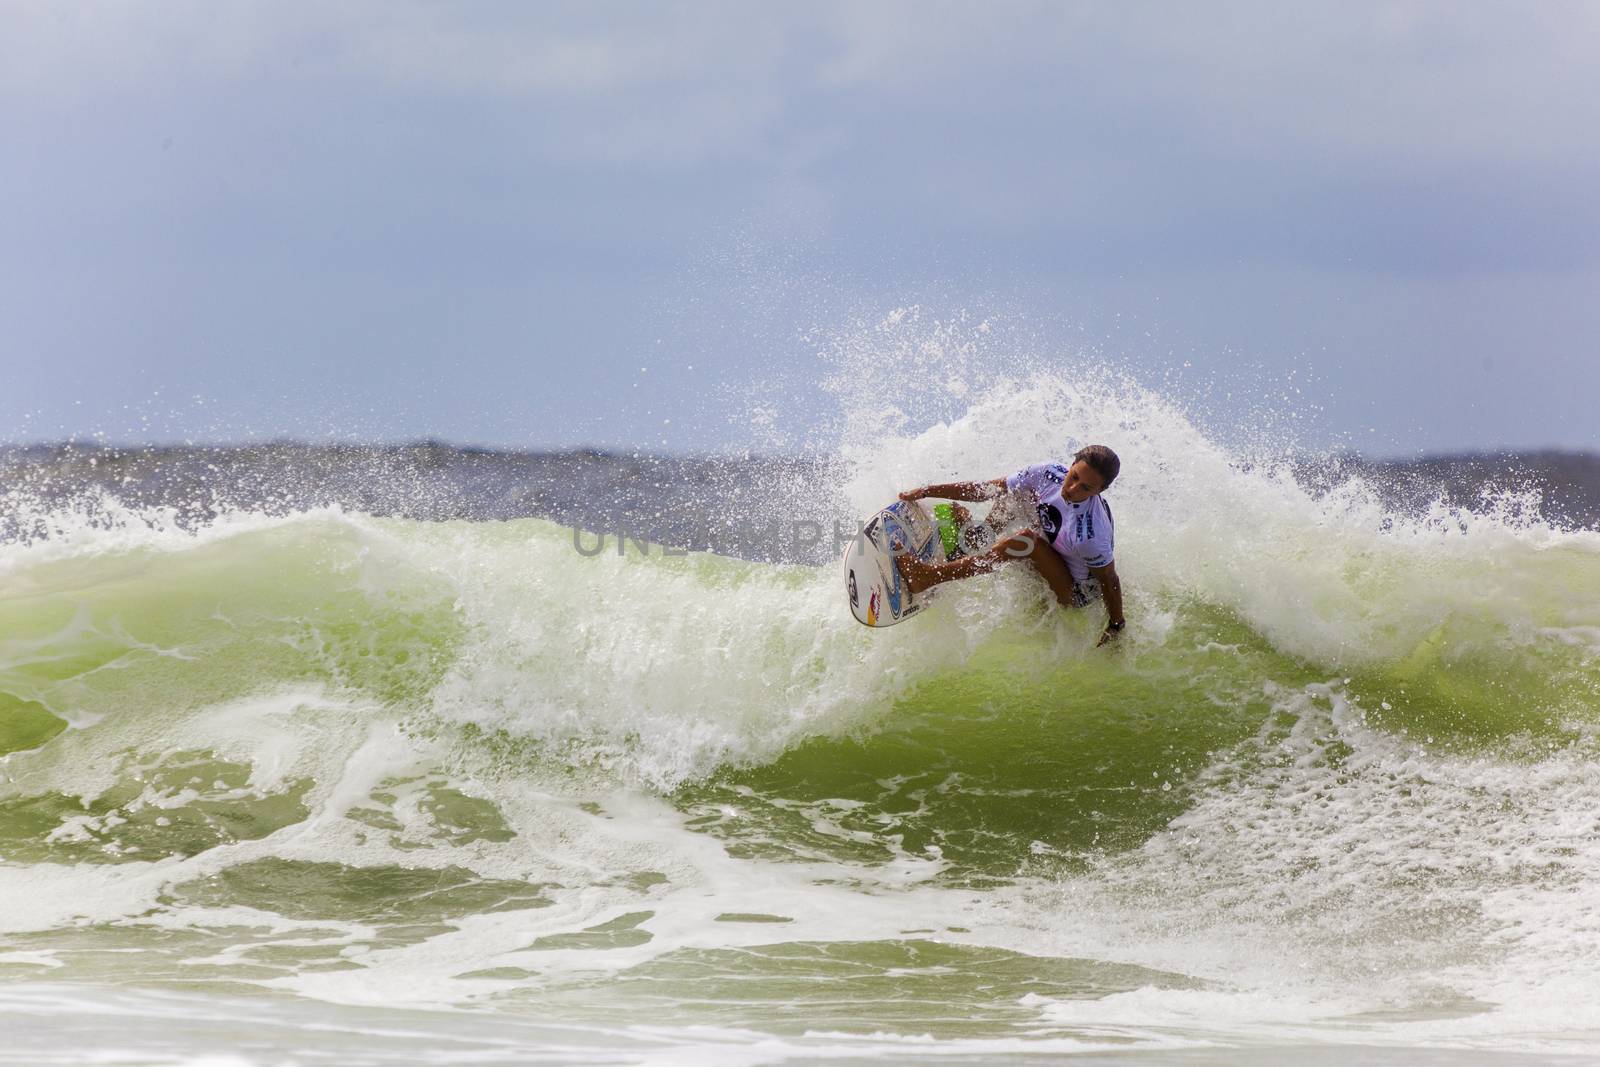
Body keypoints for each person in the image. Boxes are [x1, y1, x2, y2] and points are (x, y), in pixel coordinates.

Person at [895, 445, 1126, 646]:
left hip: (1076, 591)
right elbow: (988, 488)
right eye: (1074, 476)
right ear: (1072, 464)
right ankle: (974, 540)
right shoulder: (1048, 473)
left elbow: (1108, 579)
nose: (1073, 489)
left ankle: (928, 577)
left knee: (1026, 541)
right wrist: (927, 491)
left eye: (1086, 488)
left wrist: (1116, 625)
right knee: (1014, 492)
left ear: (1100, 491)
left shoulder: (1091, 534)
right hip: (1056, 545)